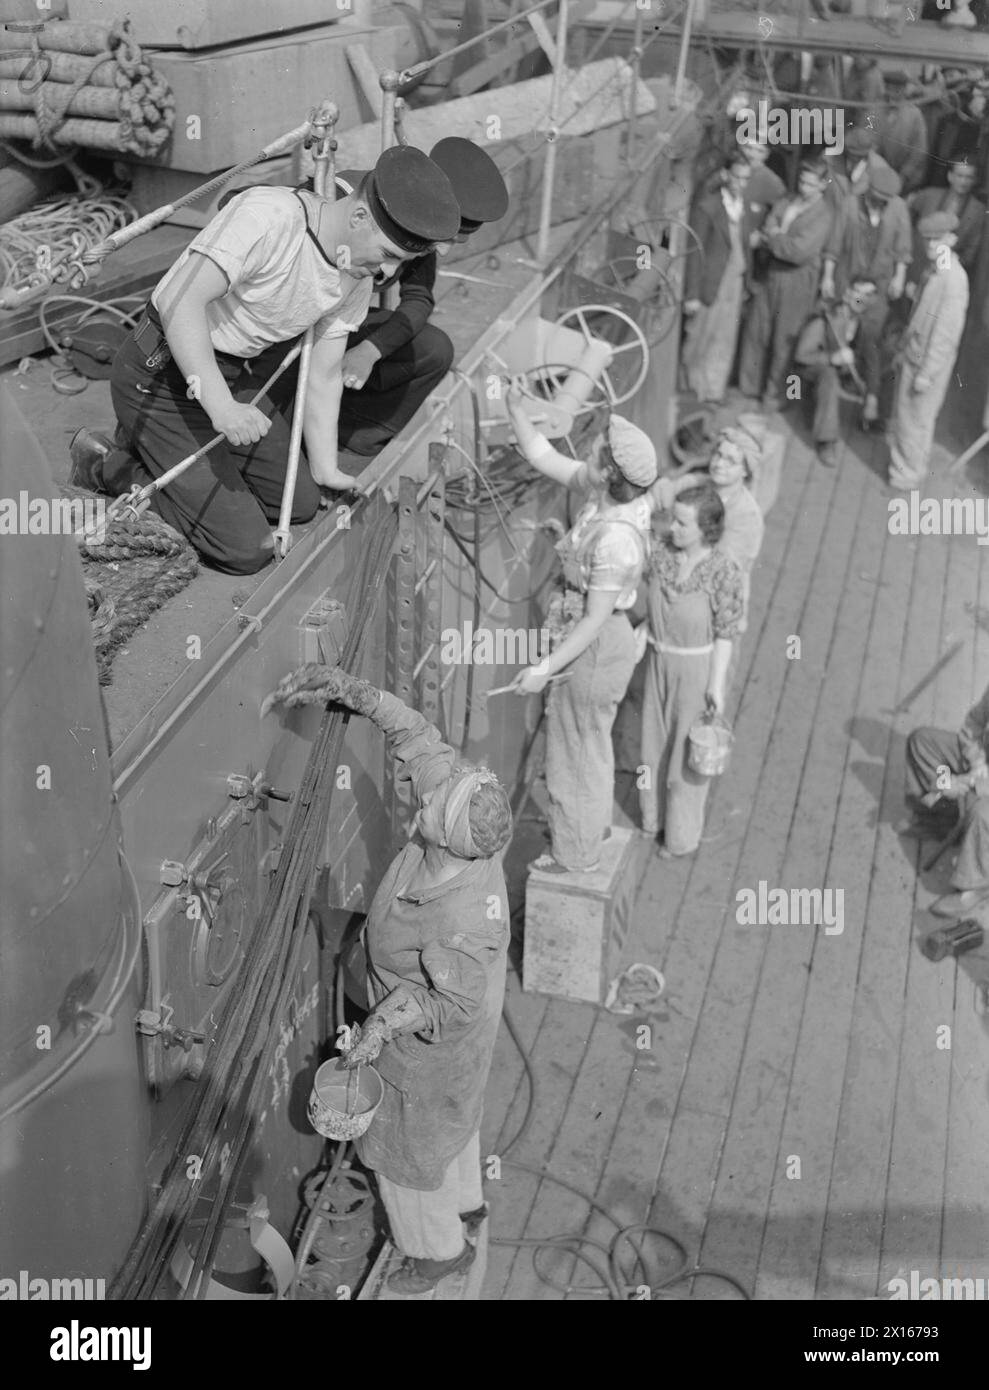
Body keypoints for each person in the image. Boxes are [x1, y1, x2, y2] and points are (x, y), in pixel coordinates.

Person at [68, 145, 461, 574]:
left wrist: (328, 469)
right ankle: (109, 463)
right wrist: (221, 408)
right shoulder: (269, 217)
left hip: (236, 375)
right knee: (246, 549)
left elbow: (325, 374)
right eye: (387, 255)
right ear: (359, 217)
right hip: (162, 378)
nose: (387, 273)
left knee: (301, 504)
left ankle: (168, 452)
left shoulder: (354, 275)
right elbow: (181, 304)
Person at [261, 664, 513, 1294]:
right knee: (452, 1130)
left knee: (404, 1156)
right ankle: (467, 1207)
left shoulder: (464, 921)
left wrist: (377, 1026)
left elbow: (448, 1003)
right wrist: (354, 691)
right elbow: (419, 739)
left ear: (454, 840)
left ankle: (435, 1255)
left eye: (431, 803)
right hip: (453, 1053)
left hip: (432, 1052)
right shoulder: (458, 815)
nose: (422, 798)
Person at [505, 390, 657, 873]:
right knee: (587, 744)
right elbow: (546, 456)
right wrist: (515, 410)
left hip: (595, 647)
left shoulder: (616, 539)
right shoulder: (608, 495)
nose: (586, 448)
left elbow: (593, 619)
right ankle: (588, 834)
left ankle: (575, 857)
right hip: (595, 636)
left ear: (611, 473)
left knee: (575, 750)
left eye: (595, 450)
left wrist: (542, 668)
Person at [330, 138, 510, 458]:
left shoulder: (423, 218)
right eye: (447, 238)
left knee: (435, 349)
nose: (441, 251)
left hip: (340, 323)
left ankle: (352, 434)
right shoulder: (354, 197)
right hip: (295, 329)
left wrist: (370, 351)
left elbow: (419, 299)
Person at [637, 486, 744, 857]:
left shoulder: (724, 571)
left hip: (695, 669)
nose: (674, 528)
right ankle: (652, 820)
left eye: (684, 523)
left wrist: (716, 686)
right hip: (658, 662)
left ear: (706, 528)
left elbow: (726, 633)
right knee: (652, 749)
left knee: (686, 764)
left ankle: (680, 838)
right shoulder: (662, 553)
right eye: (674, 519)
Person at [738, 154, 835, 412]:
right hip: (773, 273)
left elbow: (798, 251)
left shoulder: (823, 216)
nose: (804, 187)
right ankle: (749, 387)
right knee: (757, 329)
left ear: (823, 184)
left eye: (811, 184)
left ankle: (775, 396)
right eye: (802, 181)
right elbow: (771, 221)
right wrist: (778, 237)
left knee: (785, 340)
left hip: (797, 281)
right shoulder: (789, 199)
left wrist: (772, 239)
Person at [820, 163, 911, 430]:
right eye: (877, 199)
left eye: (886, 202)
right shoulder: (849, 205)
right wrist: (828, 276)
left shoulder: (899, 209)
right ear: (868, 191)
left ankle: (870, 401)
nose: (881, 205)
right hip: (848, 285)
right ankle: (828, 400)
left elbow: (903, 249)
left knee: (872, 341)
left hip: (875, 289)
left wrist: (899, 276)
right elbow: (834, 244)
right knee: (837, 337)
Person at [887, 210, 969, 490]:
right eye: (928, 240)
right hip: (914, 353)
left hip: (927, 365)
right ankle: (904, 468)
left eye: (938, 240)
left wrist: (928, 373)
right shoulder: (933, 270)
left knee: (916, 421)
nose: (932, 246)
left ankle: (907, 475)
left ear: (952, 239)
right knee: (906, 416)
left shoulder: (953, 280)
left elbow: (946, 336)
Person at [652, 426, 765, 627]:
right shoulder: (694, 483)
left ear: (745, 470)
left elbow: (723, 568)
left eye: (730, 461)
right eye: (718, 455)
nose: (719, 464)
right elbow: (659, 498)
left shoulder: (747, 516)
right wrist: (660, 487)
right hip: (676, 585)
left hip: (716, 602)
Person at [904, 682, 989, 916]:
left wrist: (970, 783)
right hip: (985, 764)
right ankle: (941, 818)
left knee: (982, 814)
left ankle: (975, 888)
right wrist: (977, 765)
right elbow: (973, 725)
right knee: (922, 742)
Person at [681, 153, 752, 403]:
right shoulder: (708, 206)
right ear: (725, 176)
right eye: (737, 178)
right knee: (700, 339)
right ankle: (692, 392)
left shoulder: (741, 206)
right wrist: (691, 295)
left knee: (724, 339)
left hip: (734, 281)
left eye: (746, 179)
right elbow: (694, 252)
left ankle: (713, 392)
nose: (741, 184)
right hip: (711, 283)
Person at [794, 280, 881, 465]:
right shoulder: (824, 319)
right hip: (809, 372)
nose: (862, 298)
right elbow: (801, 355)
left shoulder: (865, 324)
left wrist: (872, 398)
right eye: (858, 292)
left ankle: (872, 419)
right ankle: (826, 441)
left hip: (845, 371)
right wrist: (832, 358)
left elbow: (872, 362)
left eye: (868, 295)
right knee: (829, 377)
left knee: (888, 365)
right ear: (847, 294)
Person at [909, 158, 986, 278]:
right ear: (950, 176)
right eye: (959, 176)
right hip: (915, 262)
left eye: (968, 177)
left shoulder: (977, 210)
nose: (963, 181)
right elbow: (907, 220)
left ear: (974, 180)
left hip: (944, 273)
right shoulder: (929, 195)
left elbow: (971, 250)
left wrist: (948, 269)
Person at [877, 70, 930, 195]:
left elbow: (919, 150)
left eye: (897, 90)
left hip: (905, 179)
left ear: (904, 90)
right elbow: (869, 139)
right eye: (889, 89)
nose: (892, 95)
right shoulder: (874, 110)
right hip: (877, 173)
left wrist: (904, 176)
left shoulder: (914, 114)